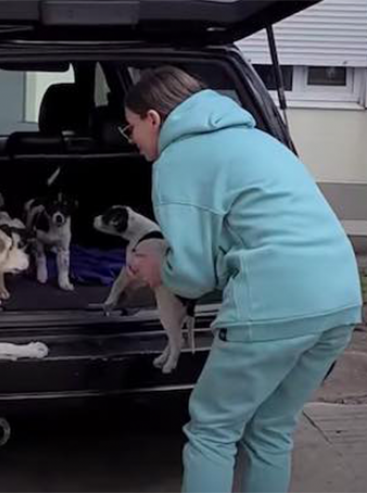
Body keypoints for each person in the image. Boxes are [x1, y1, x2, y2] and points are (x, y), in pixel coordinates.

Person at [122, 66, 362, 493]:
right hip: (340, 301)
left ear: (154, 118)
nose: (134, 143)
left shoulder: (178, 159)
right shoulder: (256, 139)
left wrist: (161, 269)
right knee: (271, 428)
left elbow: (193, 277)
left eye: (132, 128)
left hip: (274, 305)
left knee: (212, 430)